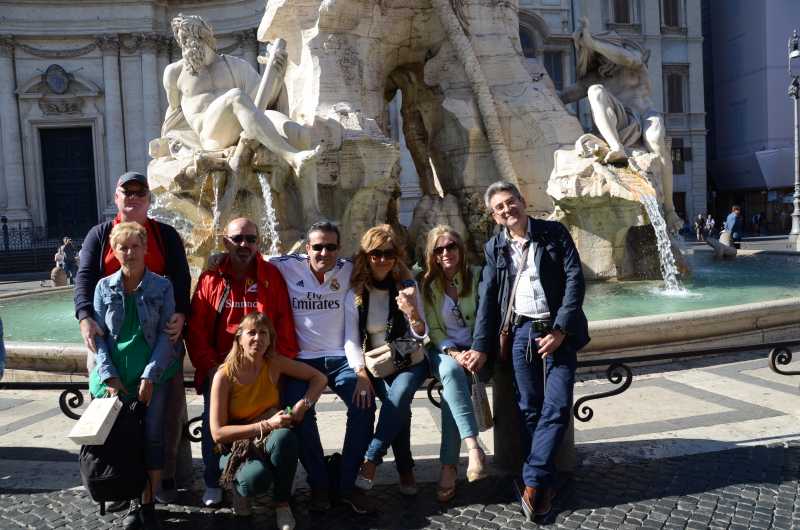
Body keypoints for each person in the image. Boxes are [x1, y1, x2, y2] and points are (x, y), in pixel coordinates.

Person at [466, 181, 590, 521]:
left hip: (556, 329)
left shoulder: (554, 233)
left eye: (511, 202)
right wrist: (480, 346)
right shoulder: (495, 247)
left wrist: (561, 329)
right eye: (499, 208)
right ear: (494, 216)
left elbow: (574, 279)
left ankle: (533, 480)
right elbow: (487, 298)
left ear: (522, 201)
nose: (507, 210)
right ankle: (545, 481)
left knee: (558, 405)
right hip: (521, 332)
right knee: (529, 408)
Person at [73, 171, 191, 505]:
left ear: (149, 199)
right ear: (117, 198)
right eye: (128, 192)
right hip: (109, 340)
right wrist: (84, 317)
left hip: (158, 337)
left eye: (140, 192)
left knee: (166, 417)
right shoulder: (99, 235)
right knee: (112, 418)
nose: (134, 197)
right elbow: (84, 279)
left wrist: (182, 313)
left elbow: (181, 278)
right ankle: (116, 481)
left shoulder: (165, 235)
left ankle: (164, 479)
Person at [186, 217, 299, 507]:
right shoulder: (211, 277)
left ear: (258, 242)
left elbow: (284, 322)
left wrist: (275, 364)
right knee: (213, 426)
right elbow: (196, 328)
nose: (244, 244)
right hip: (220, 369)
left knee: (281, 427)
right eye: (237, 239)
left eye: (250, 239)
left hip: (262, 367)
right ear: (225, 242)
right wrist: (210, 367)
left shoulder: (270, 275)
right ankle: (214, 480)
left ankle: (273, 483)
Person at [271, 221, 376, 514]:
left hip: (341, 359)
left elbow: (391, 267)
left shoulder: (348, 269)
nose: (324, 253)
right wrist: (218, 258)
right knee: (296, 413)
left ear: (339, 249)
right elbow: (252, 256)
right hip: (301, 362)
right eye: (317, 247)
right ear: (307, 248)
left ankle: (345, 485)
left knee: (365, 403)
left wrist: (361, 371)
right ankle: (319, 483)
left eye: (330, 247)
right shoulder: (285, 266)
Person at [88, 222, 179, 529]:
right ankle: (130, 500)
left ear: (145, 249)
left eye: (135, 246)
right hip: (116, 378)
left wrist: (150, 376)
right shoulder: (103, 287)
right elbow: (99, 338)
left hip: (154, 374)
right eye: (123, 248)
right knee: (123, 440)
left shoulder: (162, 286)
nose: (129, 253)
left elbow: (168, 335)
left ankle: (148, 502)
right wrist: (109, 376)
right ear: (114, 252)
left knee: (152, 436)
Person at [560, 17, 681, 232]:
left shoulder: (633, 62)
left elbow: (627, 58)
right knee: (595, 91)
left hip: (645, 117)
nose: (602, 58)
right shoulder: (596, 78)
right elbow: (565, 96)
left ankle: (670, 208)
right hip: (621, 125)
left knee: (655, 138)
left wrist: (593, 42)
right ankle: (616, 147)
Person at [210, 312, 327, 529]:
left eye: (263, 333)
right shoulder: (224, 376)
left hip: (268, 438)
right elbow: (218, 433)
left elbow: (319, 378)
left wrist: (303, 405)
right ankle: (239, 489)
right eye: (251, 333)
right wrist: (267, 424)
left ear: (270, 339)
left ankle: (282, 503)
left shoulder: (274, 363)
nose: (258, 338)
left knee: (286, 438)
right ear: (239, 338)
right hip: (237, 446)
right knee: (255, 480)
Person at [347, 225, 428, 496]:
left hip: (409, 359)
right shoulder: (356, 290)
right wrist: (360, 372)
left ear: (397, 256)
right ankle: (405, 469)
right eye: (376, 254)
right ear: (366, 256)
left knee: (399, 395)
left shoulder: (407, 285)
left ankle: (371, 460)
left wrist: (412, 312)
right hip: (375, 364)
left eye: (389, 254)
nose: (383, 259)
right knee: (398, 408)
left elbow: (422, 334)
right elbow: (351, 338)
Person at [419, 225, 488, 502]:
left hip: (478, 351)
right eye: (439, 249)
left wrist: (477, 349)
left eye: (451, 247)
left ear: (460, 249)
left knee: (451, 389)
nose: (446, 252)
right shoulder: (429, 286)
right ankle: (473, 447)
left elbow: (486, 318)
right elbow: (434, 330)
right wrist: (454, 353)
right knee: (450, 369)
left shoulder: (479, 276)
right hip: (444, 351)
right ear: (433, 255)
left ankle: (449, 467)